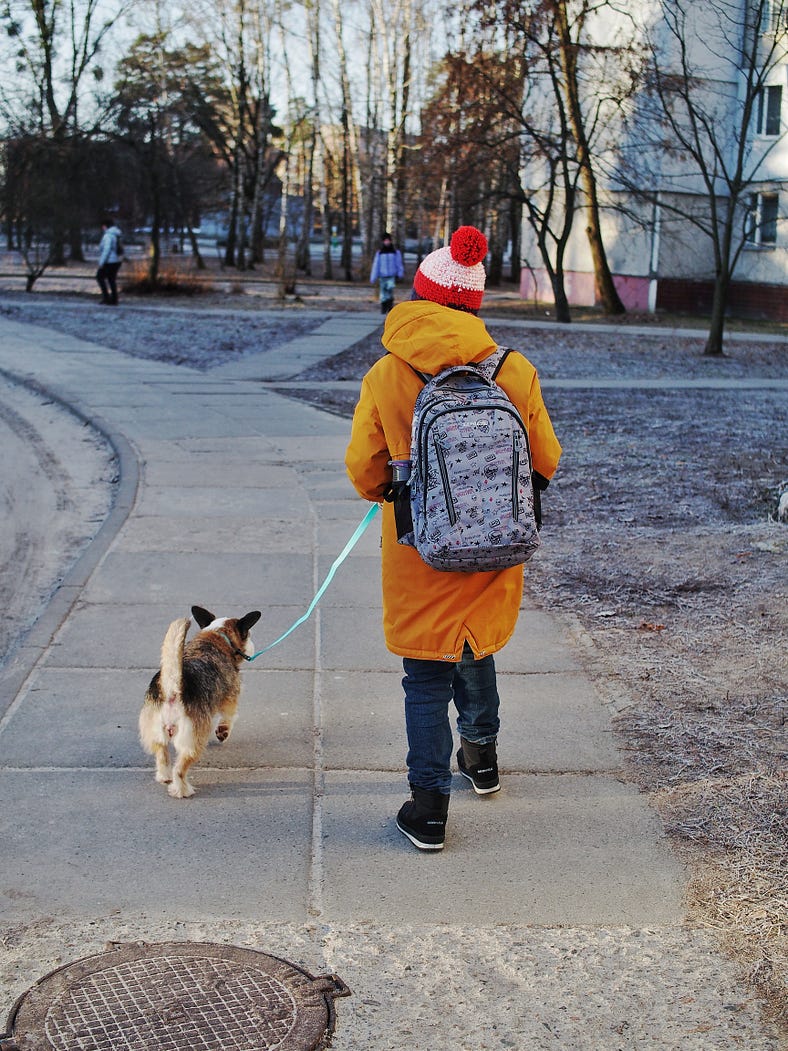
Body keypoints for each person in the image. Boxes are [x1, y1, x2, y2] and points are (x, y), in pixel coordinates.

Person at [345, 225, 562, 852]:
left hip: (420, 547)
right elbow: (546, 459)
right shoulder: (513, 370)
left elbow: (365, 470)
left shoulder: (387, 373)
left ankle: (429, 807)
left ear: (420, 296)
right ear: (473, 305)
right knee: (475, 647)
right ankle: (482, 760)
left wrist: (395, 488)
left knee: (425, 675)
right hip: (497, 539)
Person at [369, 232, 404, 314]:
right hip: (382, 275)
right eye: (385, 241)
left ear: (390, 241)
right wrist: (373, 277)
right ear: (383, 242)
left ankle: (389, 306)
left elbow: (399, 263)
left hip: (391, 275)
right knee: (383, 293)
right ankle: (383, 307)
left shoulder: (395, 252)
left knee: (390, 290)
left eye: (388, 240)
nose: (387, 242)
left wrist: (400, 273)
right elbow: (376, 265)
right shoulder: (380, 253)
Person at [96, 217, 123, 305]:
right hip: (117, 260)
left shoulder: (108, 236)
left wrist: (101, 262)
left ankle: (106, 297)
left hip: (109, 261)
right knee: (111, 280)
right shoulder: (117, 234)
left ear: (105, 226)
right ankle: (114, 299)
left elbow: (106, 250)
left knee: (99, 277)